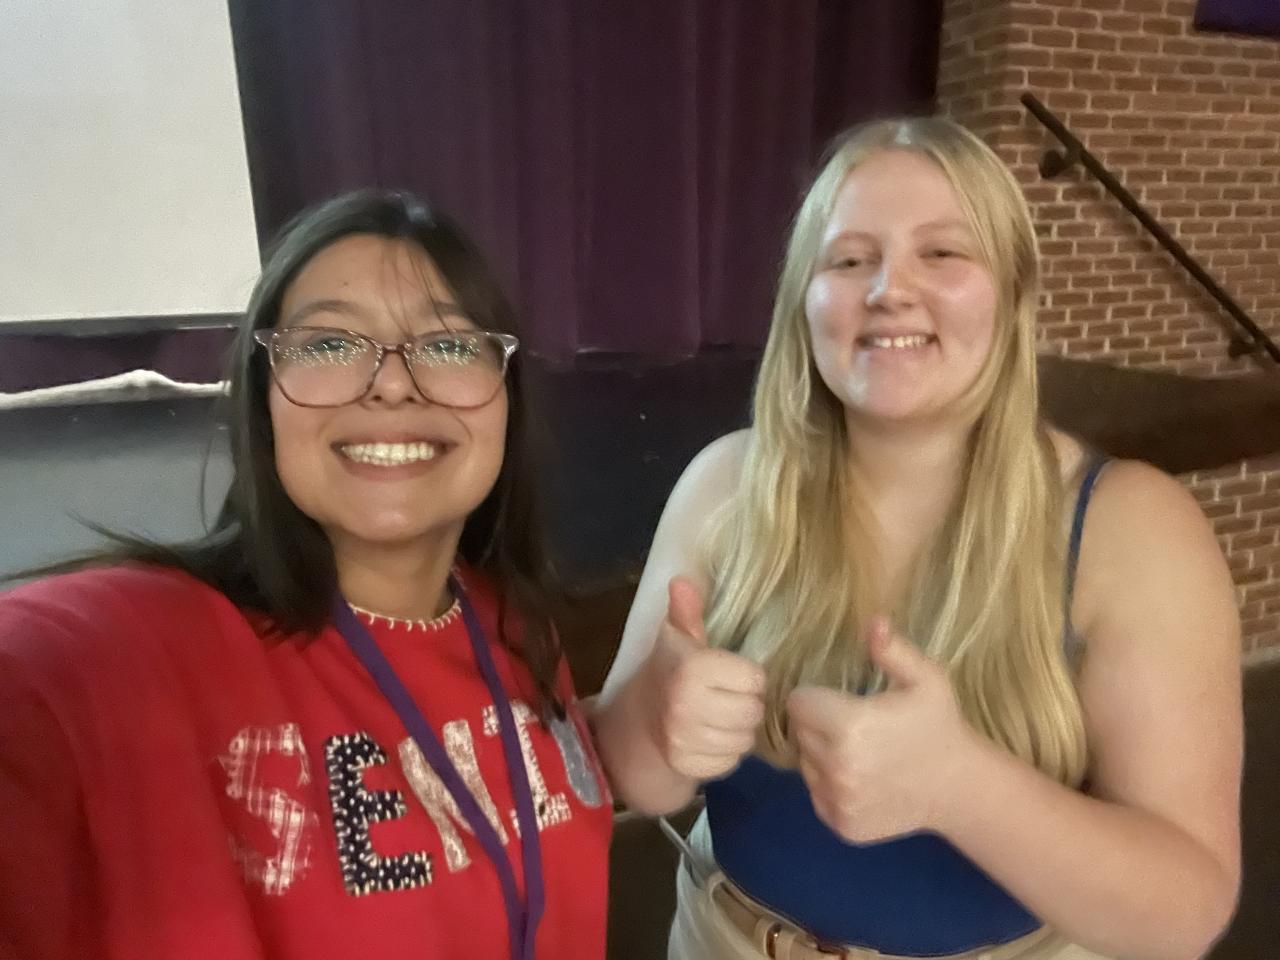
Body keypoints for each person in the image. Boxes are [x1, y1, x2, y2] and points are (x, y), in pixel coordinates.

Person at [591, 117, 1242, 960]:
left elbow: (1182, 912)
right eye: (849, 260)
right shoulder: (724, 487)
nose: (889, 289)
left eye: (941, 253)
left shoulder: (1130, 528)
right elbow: (633, 779)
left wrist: (959, 786)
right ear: (802, 301)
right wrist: (655, 717)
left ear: (1013, 293)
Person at [0, 190, 612, 960]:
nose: (393, 383)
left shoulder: (516, 626)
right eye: (328, 345)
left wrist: (638, 738)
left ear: (505, 400)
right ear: (265, 403)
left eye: (449, 344)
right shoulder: (134, 656)